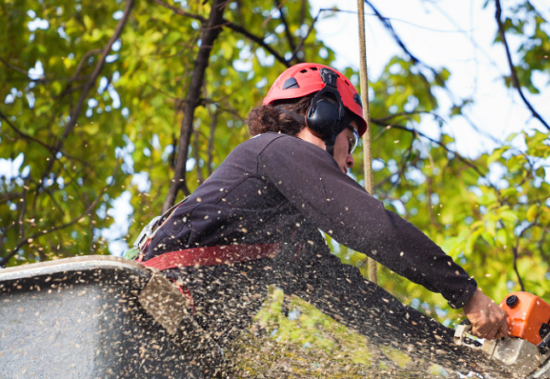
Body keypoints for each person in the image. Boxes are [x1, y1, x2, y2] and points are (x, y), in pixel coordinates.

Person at [138, 63, 508, 348]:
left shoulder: (287, 230)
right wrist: (467, 293)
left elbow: (356, 303)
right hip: (150, 313)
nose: (350, 160)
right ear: (323, 117)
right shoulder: (274, 150)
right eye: (352, 138)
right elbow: (374, 228)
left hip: (172, 341)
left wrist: (455, 349)